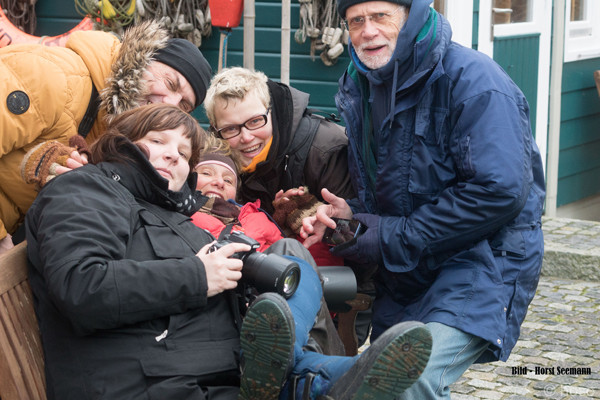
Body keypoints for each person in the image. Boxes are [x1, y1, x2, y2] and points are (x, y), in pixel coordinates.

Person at [25, 103, 432, 400]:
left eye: (184, 154)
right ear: (119, 144)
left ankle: (313, 374)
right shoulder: (87, 188)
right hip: (157, 383)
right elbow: (83, 287)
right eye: (157, 141)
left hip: (207, 368)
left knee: (291, 261)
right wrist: (199, 276)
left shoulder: (163, 210)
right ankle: (317, 377)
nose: (173, 154)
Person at [301, 0, 546, 398]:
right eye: (356, 21)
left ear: (412, 17)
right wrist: (355, 216)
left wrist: (389, 233)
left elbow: (500, 191)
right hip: (408, 267)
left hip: (482, 259)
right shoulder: (358, 85)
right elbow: (393, 187)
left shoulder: (475, 80)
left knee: (408, 378)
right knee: (381, 380)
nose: (367, 31)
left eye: (381, 16)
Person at [0, 18, 212, 254]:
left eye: (184, 105)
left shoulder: (120, 130)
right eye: (171, 83)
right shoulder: (56, 76)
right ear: (144, 60)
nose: (170, 104)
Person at [203, 67, 375, 346]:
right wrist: (277, 221)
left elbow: (367, 235)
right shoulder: (224, 160)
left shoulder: (325, 151)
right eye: (231, 128)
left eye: (255, 121)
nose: (246, 138)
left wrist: (322, 222)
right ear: (216, 130)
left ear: (271, 111)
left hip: (338, 295)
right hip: (255, 291)